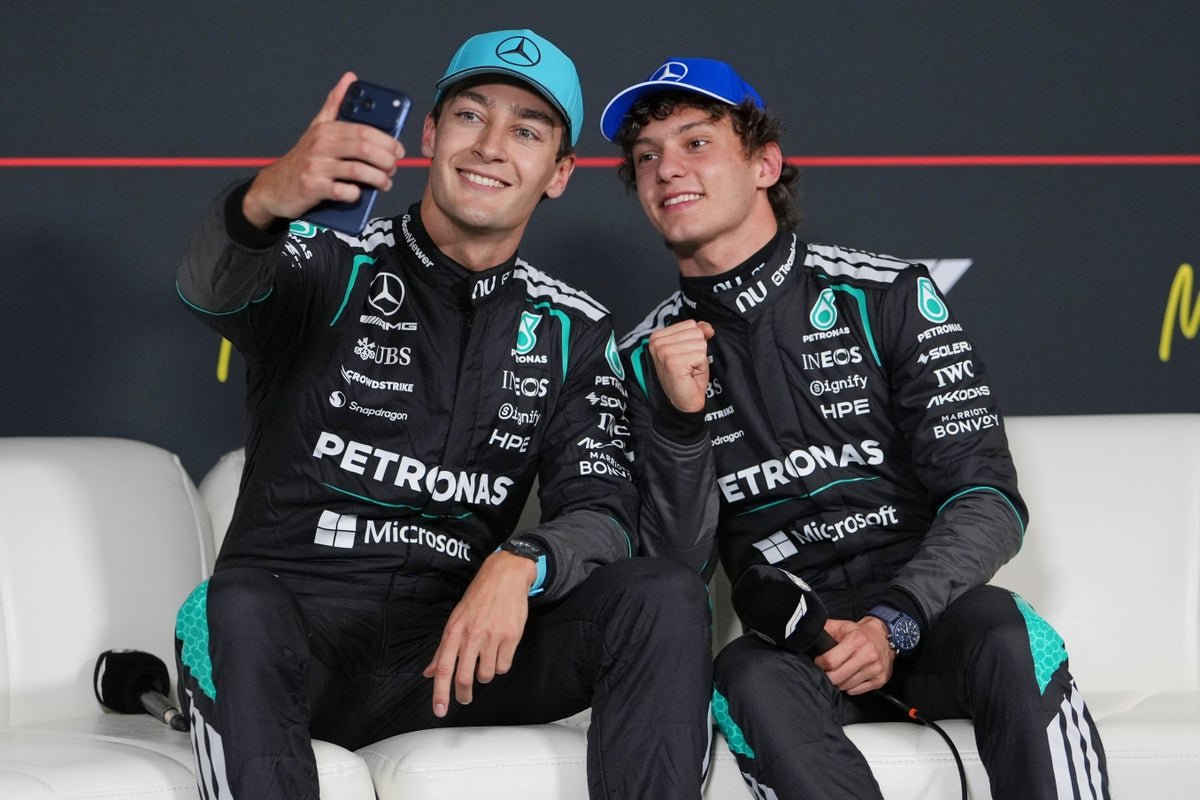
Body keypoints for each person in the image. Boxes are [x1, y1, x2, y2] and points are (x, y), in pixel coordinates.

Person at [172, 30, 711, 800]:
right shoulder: (329, 259)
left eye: (526, 130)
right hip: (299, 648)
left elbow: (604, 512)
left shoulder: (572, 328)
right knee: (234, 604)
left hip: (453, 661)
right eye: (469, 116)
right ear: (428, 135)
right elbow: (209, 287)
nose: (491, 146)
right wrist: (264, 201)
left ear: (558, 173)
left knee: (661, 595)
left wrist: (523, 559)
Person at [601, 57, 1110, 800]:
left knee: (1008, 631)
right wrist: (681, 426)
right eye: (647, 157)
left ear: (766, 163)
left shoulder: (885, 295)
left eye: (696, 143)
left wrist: (893, 622)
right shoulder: (641, 361)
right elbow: (674, 576)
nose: (667, 169)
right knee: (741, 676)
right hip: (800, 647)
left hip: (931, 617)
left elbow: (988, 500)